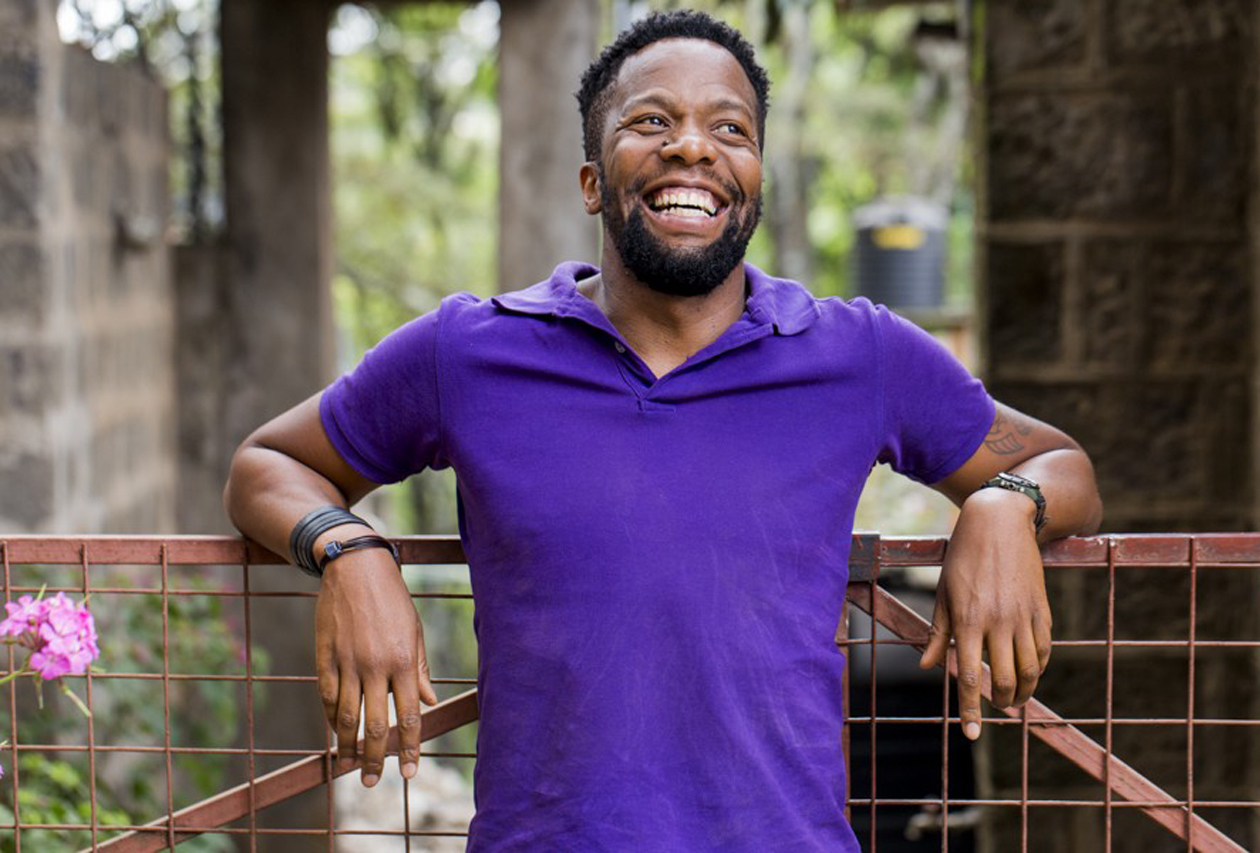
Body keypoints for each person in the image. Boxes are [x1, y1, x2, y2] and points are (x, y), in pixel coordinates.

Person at [224, 10, 1103, 851]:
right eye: (652, 120)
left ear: (754, 177)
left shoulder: (858, 353)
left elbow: (1062, 467)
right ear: (592, 182)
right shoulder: (469, 351)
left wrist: (1002, 503)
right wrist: (348, 548)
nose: (693, 146)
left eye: (732, 129)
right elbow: (268, 464)